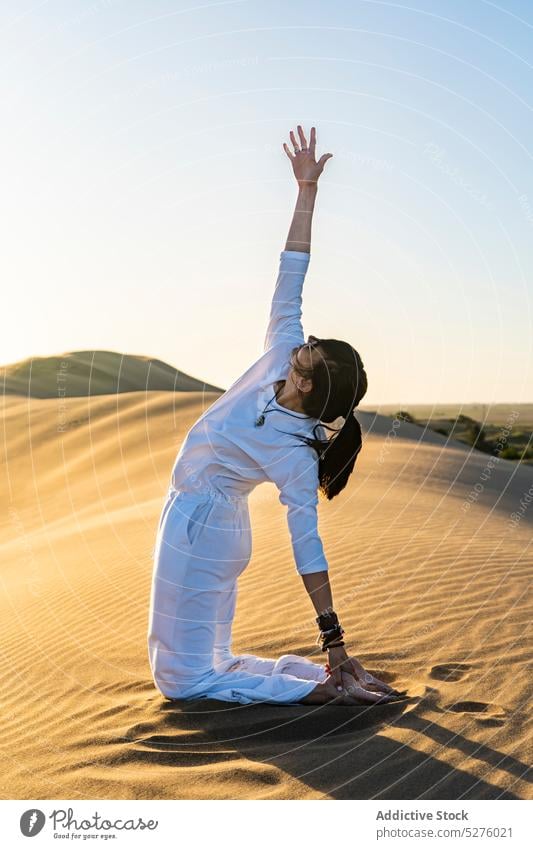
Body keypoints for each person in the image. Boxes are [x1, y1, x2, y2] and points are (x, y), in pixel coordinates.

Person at [147, 125, 401, 707]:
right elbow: (292, 270)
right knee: (213, 658)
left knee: (182, 680)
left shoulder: (293, 453)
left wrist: (334, 639)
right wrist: (306, 190)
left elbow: (308, 547)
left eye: (305, 355)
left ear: (307, 383)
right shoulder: (280, 351)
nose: (297, 344)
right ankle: (314, 679)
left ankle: (326, 692)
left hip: (203, 528)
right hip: (205, 519)